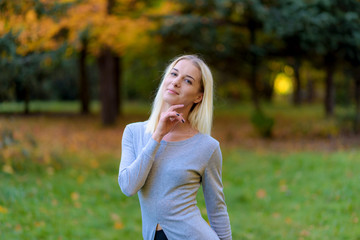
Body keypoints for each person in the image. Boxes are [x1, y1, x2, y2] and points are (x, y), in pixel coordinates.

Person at [118, 54, 232, 240]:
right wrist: (157, 136)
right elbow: (128, 186)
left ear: (198, 96)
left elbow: (217, 208)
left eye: (187, 80)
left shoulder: (207, 147)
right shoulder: (134, 132)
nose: (176, 82)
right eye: (174, 74)